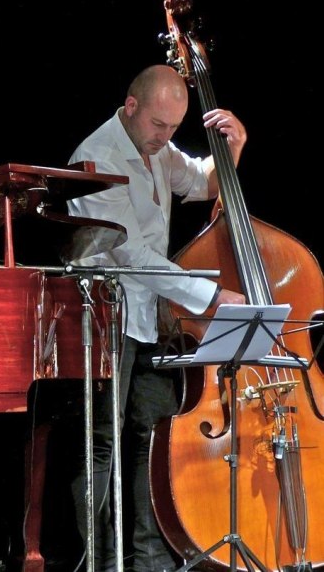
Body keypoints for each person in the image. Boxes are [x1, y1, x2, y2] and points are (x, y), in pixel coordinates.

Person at [64, 65, 247, 572]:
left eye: (173, 128)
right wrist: (207, 296)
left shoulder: (157, 147)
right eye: (158, 126)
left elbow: (206, 182)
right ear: (131, 106)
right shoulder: (97, 155)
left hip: (149, 319)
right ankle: (96, 562)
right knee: (101, 444)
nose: (166, 138)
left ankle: (149, 561)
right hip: (102, 318)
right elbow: (133, 252)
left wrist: (232, 148)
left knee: (152, 438)